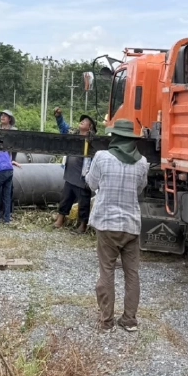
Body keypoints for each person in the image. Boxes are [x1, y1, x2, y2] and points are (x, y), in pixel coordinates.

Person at [85, 119, 150, 332]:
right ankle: (129, 320)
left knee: (107, 271)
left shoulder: (102, 157)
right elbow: (141, 188)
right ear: (131, 141)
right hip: (131, 225)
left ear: (115, 138)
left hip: (107, 223)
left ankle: (106, 321)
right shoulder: (142, 163)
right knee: (132, 274)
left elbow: (92, 183)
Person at [53, 107, 96, 233]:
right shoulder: (74, 134)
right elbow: (64, 128)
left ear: (90, 127)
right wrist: (59, 117)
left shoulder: (93, 141)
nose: (82, 121)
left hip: (82, 177)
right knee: (65, 198)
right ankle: (60, 220)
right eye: (82, 120)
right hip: (70, 174)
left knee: (83, 203)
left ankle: (83, 225)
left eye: (86, 121)